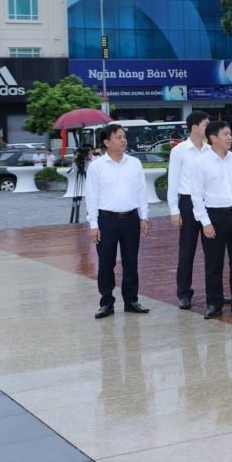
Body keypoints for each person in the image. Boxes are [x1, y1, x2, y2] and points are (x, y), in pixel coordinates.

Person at [190, 120, 232, 320]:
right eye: (225, 134)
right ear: (213, 138)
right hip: (214, 217)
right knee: (214, 263)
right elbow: (196, 195)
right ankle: (214, 303)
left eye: (230, 134)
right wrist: (205, 222)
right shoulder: (200, 162)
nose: (229, 138)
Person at [86, 124, 151, 319]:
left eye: (124, 137)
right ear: (107, 142)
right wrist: (93, 225)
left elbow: (141, 191)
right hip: (107, 220)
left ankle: (131, 300)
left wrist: (144, 217)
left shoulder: (134, 163)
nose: (123, 140)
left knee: (131, 261)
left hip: (131, 218)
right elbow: (91, 197)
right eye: (118, 137)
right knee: (106, 263)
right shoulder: (97, 166)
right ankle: (106, 302)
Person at [167, 110, 211, 310]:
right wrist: (174, 210)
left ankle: (213, 292)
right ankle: (184, 293)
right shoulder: (180, 151)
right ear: (194, 127)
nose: (208, 128)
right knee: (187, 251)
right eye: (205, 125)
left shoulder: (210, 150)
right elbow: (172, 182)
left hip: (209, 203)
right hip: (187, 204)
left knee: (213, 250)